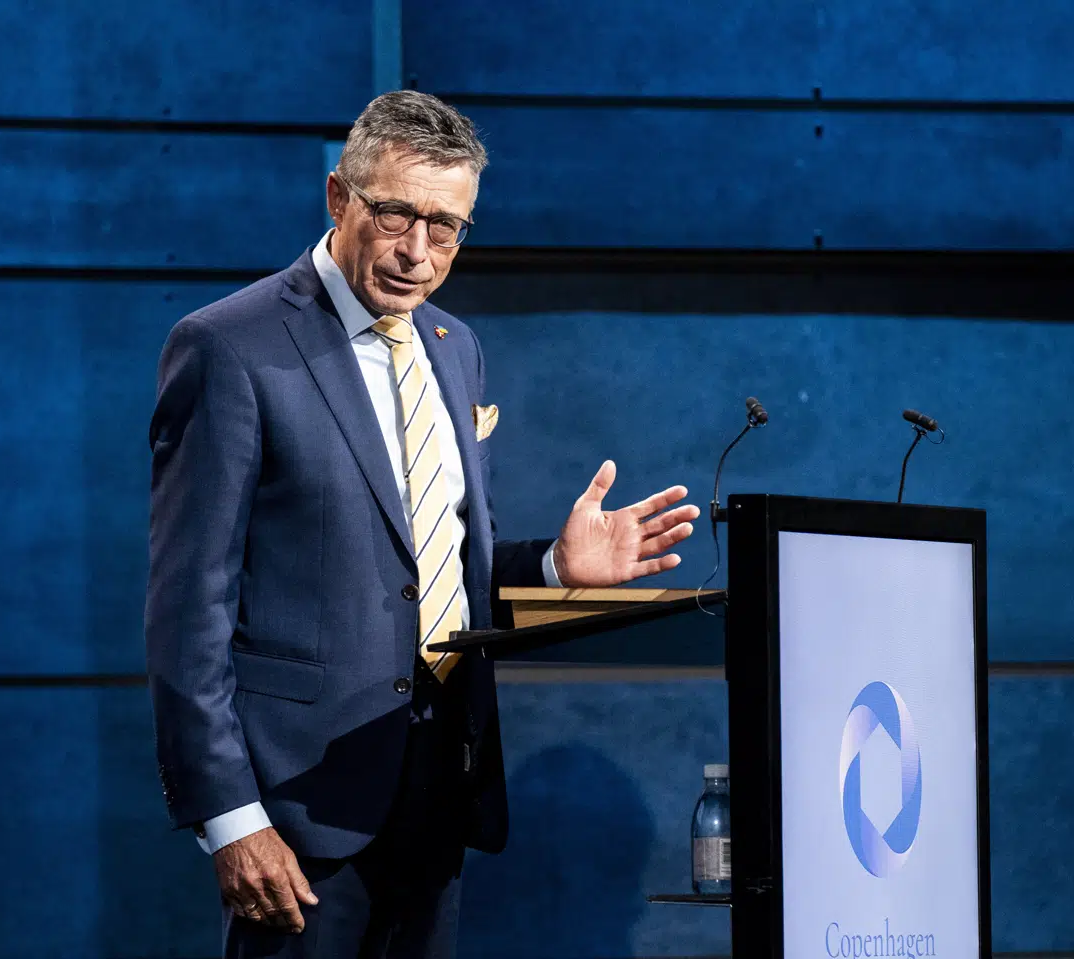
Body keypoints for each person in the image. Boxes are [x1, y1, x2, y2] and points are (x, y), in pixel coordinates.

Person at [145, 90, 698, 959]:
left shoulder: (453, 345)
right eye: (396, 214)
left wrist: (555, 569)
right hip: (297, 810)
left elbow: (432, 568)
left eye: (446, 227)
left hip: (440, 791)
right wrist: (230, 816)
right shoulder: (230, 346)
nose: (418, 252)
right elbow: (188, 610)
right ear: (339, 198)